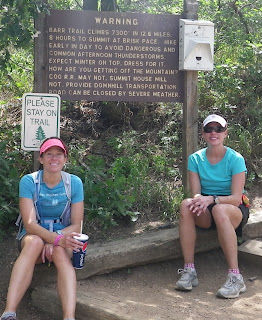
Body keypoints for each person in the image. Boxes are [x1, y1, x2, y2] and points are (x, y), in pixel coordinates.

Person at [1, 137, 85, 320]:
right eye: (49, 154)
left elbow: (76, 224)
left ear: (65, 159)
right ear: (41, 158)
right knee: (34, 243)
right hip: (33, 235)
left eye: (59, 154)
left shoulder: (74, 183)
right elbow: (29, 223)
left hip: (64, 235)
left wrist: (57, 239)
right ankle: (9, 312)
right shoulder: (29, 181)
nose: (54, 159)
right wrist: (53, 239)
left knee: (60, 252)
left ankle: (69, 317)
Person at [175, 114, 249, 299]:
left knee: (219, 209)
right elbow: (196, 193)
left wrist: (212, 199)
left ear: (225, 133)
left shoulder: (235, 159)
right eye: (209, 129)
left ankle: (235, 277)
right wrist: (202, 200)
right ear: (203, 133)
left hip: (233, 209)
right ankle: (189, 270)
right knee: (186, 204)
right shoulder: (196, 159)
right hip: (208, 208)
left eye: (218, 129)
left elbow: (236, 197)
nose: (213, 132)